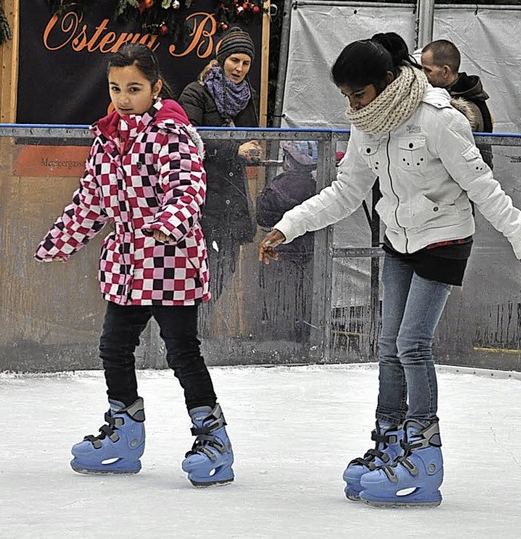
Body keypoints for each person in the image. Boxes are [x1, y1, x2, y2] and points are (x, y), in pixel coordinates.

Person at [258, 36, 521, 507]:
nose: (352, 105)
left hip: (446, 238)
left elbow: (482, 184)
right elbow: (345, 192)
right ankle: (391, 439)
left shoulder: (439, 119)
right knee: (389, 344)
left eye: (359, 94)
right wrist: (287, 227)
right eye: (346, 96)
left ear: (387, 80)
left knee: (412, 343)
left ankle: (426, 452)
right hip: (399, 239)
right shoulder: (367, 124)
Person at [34, 43, 234, 487]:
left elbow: (187, 187)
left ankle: (213, 437)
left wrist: (167, 224)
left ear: (155, 87)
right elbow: (91, 200)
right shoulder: (108, 137)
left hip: (170, 259)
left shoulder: (170, 132)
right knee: (113, 347)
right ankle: (124, 433)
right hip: (126, 264)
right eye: (115, 88)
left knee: (182, 350)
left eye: (134, 88)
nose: (123, 98)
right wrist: (60, 241)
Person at [178, 26, 261, 305]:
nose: (239, 68)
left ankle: (202, 333)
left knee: (224, 270)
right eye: (234, 60)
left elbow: (251, 136)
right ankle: (186, 336)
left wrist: (252, 150)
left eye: (246, 62)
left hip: (232, 194)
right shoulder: (196, 92)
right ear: (222, 59)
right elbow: (188, 138)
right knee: (195, 273)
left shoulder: (248, 96)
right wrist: (234, 149)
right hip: (199, 193)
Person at [255, 141, 318, 342]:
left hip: (281, 254)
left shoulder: (278, 187)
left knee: (279, 304)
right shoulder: (316, 186)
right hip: (306, 253)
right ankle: (300, 341)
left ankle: (281, 343)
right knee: (302, 303)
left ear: (288, 161)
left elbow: (263, 216)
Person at [420, 39, 495, 168]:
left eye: (428, 70)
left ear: (445, 71)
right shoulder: (468, 96)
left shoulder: (468, 107)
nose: (422, 74)